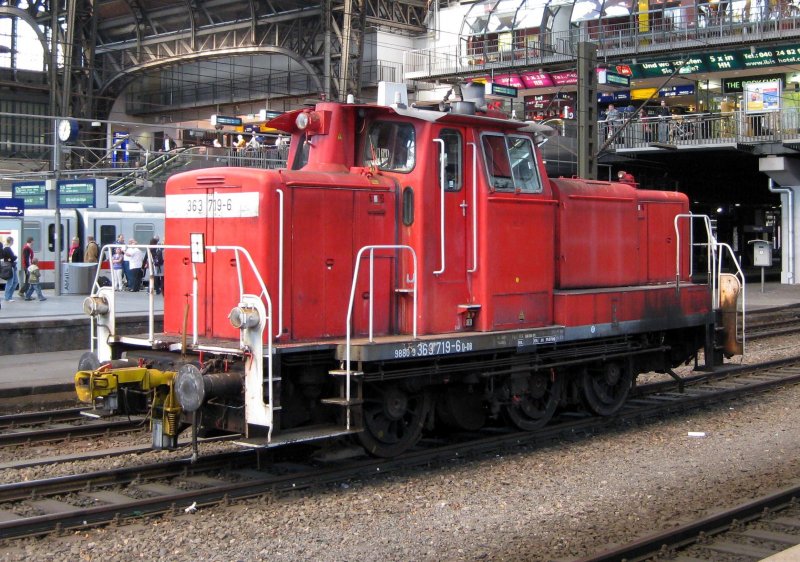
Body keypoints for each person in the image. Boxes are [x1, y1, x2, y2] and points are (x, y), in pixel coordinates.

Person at [2, 237, 18, 302]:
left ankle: (9, 296)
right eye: (13, 241)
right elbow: (12, 258)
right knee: (10, 282)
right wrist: (15, 256)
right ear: (11, 241)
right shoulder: (7, 249)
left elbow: (10, 258)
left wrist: (12, 258)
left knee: (15, 281)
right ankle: (7, 297)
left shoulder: (7, 248)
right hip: (10, 267)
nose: (13, 242)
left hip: (12, 267)